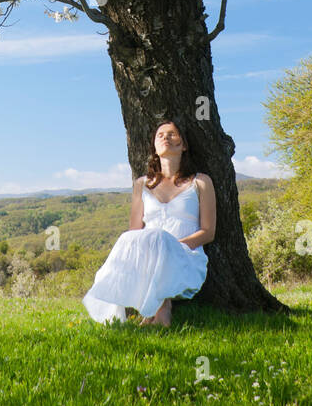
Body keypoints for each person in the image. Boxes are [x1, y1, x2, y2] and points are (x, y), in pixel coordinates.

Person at [82, 118, 216, 326]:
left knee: (160, 238)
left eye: (172, 134)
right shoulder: (142, 184)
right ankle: (153, 310)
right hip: (148, 257)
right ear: (154, 146)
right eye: (160, 135)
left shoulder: (200, 182)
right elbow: (134, 231)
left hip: (184, 255)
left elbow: (208, 232)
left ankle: (162, 311)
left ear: (184, 144)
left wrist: (172, 247)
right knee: (136, 238)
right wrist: (158, 249)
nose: (166, 138)